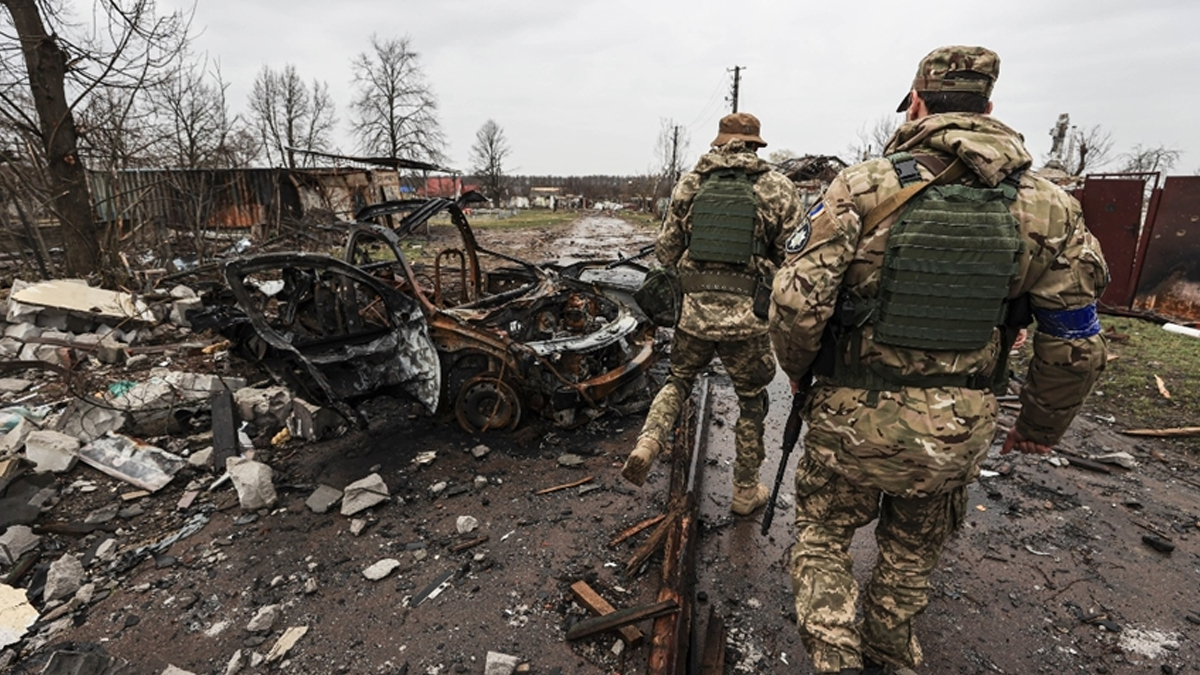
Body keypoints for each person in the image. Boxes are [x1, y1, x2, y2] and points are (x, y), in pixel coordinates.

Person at [769, 46, 1109, 674]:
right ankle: (891, 648)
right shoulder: (1048, 205)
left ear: (918, 102)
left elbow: (797, 301)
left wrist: (797, 367)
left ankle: (834, 657)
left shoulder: (862, 185)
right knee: (912, 551)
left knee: (822, 538)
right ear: (989, 106)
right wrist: (1039, 427)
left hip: (849, 417)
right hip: (958, 425)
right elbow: (1074, 339)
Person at [621, 112, 802, 516]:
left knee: (678, 380)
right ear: (756, 146)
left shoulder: (690, 184)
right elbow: (794, 257)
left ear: (718, 144)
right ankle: (744, 490)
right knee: (752, 400)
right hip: (749, 322)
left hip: (694, 317)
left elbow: (665, 252)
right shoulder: (776, 187)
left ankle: (648, 442)